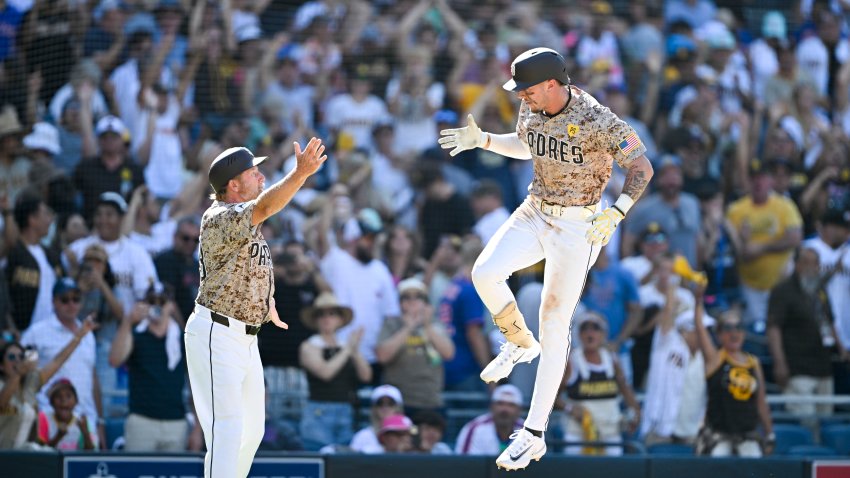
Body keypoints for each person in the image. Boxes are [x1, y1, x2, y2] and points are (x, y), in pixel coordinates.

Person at [439, 47, 654, 470]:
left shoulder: (599, 119)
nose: (522, 96)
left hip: (580, 226)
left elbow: (642, 166)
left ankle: (534, 433)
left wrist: (618, 211)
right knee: (484, 273)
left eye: (528, 89)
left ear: (554, 84)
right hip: (536, 209)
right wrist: (483, 139)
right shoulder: (532, 109)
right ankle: (518, 342)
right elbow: (525, 145)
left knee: (554, 321)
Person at [185, 140, 326, 478]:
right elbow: (263, 208)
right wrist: (299, 174)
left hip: (246, 338)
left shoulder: (244, 224)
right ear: (233, 185)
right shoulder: (218, 216)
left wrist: (266, 302)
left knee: (253, 432)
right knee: (228, 429)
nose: (261, 176)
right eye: (254, 172)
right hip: (216, 332)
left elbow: (245, 268)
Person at [20, 278, 104, 447]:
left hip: (84, 417)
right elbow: (21, 373)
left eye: (76, 299)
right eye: (64, 299)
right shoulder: (37, 332)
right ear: (53, 301)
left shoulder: (88, 334)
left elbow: (92, 377)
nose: (71, 304)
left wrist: (99, 420)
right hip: (48, 415)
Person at [108, 283, 188, 451]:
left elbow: (197, 383)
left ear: (171, 305)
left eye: (162, 301)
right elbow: (114, 360)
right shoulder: (136, 334)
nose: (157, 305)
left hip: (175, 422)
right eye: (152, 301)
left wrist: (196, 427)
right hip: (141, 421)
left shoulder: (183, 339)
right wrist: (128, 321)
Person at [694, 291, 774, 457]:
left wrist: (769, 433)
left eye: (739, 327)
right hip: (719, 435)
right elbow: (700, 328)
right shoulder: (715, 358)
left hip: (748, 434)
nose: (734, 333)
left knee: (754, 462)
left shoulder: (754, 363)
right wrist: (698, 301)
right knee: (717, 460)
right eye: (728, 328)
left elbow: (761, 402)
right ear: (719, 334)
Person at [767, 247, 841, 417]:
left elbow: (830, 323)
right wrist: (779, 363)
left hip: (823, 367)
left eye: (815, 263)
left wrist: (842, 349)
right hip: (797, 368)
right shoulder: (782, 291)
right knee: (806, 421)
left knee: (827, 420)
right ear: (796, 264)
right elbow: (773, 328)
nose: (810, 267)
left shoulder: (820, 291)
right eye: (805, 262)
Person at [0, 319, 96, 449]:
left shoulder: (30, 383)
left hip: (22, 455)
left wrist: (79, 336)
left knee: (43, 452)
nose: (17, 361)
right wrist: (18, 373)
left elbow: (57, 361)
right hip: (3, 453)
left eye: (21, 357)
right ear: (1, 365)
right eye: (12, 357)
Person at [560, 312, 641, 456]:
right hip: (578, 435)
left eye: (595, 328)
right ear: (579, 334)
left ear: (603, 334)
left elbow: (626, 390)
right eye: (585, 329)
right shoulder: (571, 361)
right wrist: (569, 408)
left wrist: (635, 413)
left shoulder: (612, 360)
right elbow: (549, 398)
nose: (590, 333)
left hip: (610, 434)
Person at [298, 292, 371, 449]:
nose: (327, 318)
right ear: (315, 320)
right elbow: (325, 373)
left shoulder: (346, 345)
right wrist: (348, 349)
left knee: (343, 465)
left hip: (346, 410)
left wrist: (355, 351)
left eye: (332, 313)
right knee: (317, 457)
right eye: (321, 314)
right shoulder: (309, 346)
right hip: (318, 412)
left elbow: (365, 376)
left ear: (340, 319)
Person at [376, 278, 454, 416]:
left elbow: (449, 354)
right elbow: (382, 356)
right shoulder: (391, 324)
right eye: (406, 297)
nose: (412, 301)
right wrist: (408, 327)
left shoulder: (435, 324)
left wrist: (427, 326)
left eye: (418, 297)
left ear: (426, 302)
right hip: (397, 404)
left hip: (430, 401)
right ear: (399, 303)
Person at [6, 193, 61, 331]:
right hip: (21, 336)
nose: (50, 220)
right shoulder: (13, 254)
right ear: (32, 219)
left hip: (50, 334)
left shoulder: (51, 254)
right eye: (46, 214)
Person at [454, 384, 525, 455]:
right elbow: (463, 463)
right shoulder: (474, 428)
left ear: (519, 410)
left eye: (511, 405)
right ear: (491, 406)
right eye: (500, 403)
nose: (504, 409)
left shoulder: (529, 432)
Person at [36, 378, 97, 450]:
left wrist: (85, 433)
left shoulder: (83, 423)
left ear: (76, 401)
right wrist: (58, 436)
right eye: (58, 396)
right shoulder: (44, 418)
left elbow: (91, 454)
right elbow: (40, 452)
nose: (63, 400)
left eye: (68, 396)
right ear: (51, 402)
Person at [350, 384, 405, 454]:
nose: (385, 407)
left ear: (398, 407)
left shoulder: (407, 434)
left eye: (390, 403)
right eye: (380, 403)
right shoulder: (363, 435)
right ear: (374, 408)